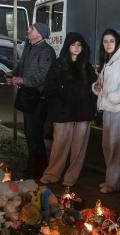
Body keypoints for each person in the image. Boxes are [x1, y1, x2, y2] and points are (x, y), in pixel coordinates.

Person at [40, 33, 97, 187]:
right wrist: (58, 107)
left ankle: (70, 178)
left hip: (83, 114)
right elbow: (50, 89)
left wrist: (92, 107)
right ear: (68, 46)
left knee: (79, 150)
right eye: (73, 44)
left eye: (79, 45)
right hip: (62, 114)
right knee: (59, 146)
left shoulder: (87, 67)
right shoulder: (58, 65)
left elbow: (93, 90)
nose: (77, 48)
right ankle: (52, 174)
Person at [7, 23, 56, 179]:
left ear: (40, 34)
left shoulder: (46, 51)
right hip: (28, 96)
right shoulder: (29, 46)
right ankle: (33, 164)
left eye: (32, 29)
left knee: (35, 134)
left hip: (39, 99)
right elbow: (21, 65)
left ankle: (39, 168)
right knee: (30, 133)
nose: (28, 30)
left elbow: (43, 75)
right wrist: (11, 73)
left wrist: (22, 80)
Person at [93, 29, 120, 194]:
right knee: (108, 146)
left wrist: (109, 97)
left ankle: (113, 183)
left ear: (117, 42)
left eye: (111, 41)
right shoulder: (110, 60)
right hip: (109, 108)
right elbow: (102, 84)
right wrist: (97, 88)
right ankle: (111, 180)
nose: (108, 44)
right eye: (105, 41)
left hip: (119, 109)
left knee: (115, 147)